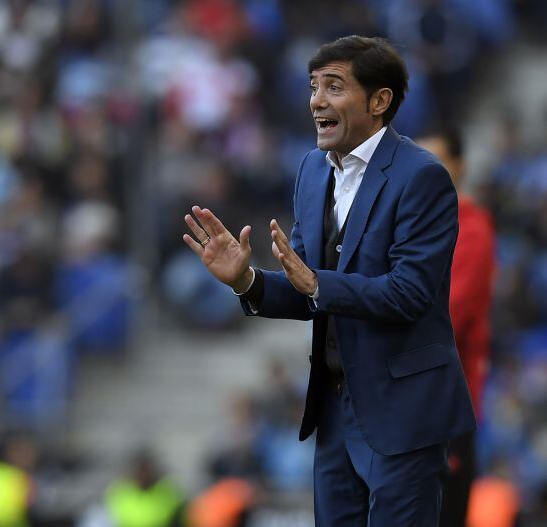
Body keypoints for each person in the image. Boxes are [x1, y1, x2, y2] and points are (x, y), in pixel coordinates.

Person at [182, 36, 476, 525]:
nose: (317, 100)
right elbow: (304, 288)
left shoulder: (422, 177)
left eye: (334, 87)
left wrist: (317, 285)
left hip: (403, 414)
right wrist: (247, 280)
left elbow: (410, 293)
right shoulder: (312, 171)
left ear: (379, 101)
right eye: (313, 87)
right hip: (334, 413)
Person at [417, 130, 496, 527]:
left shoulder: (474, 230)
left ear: (460, 167)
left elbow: (448, 315)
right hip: (405, 402)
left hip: (447, 402)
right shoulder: (408, 226)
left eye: (436, 161)